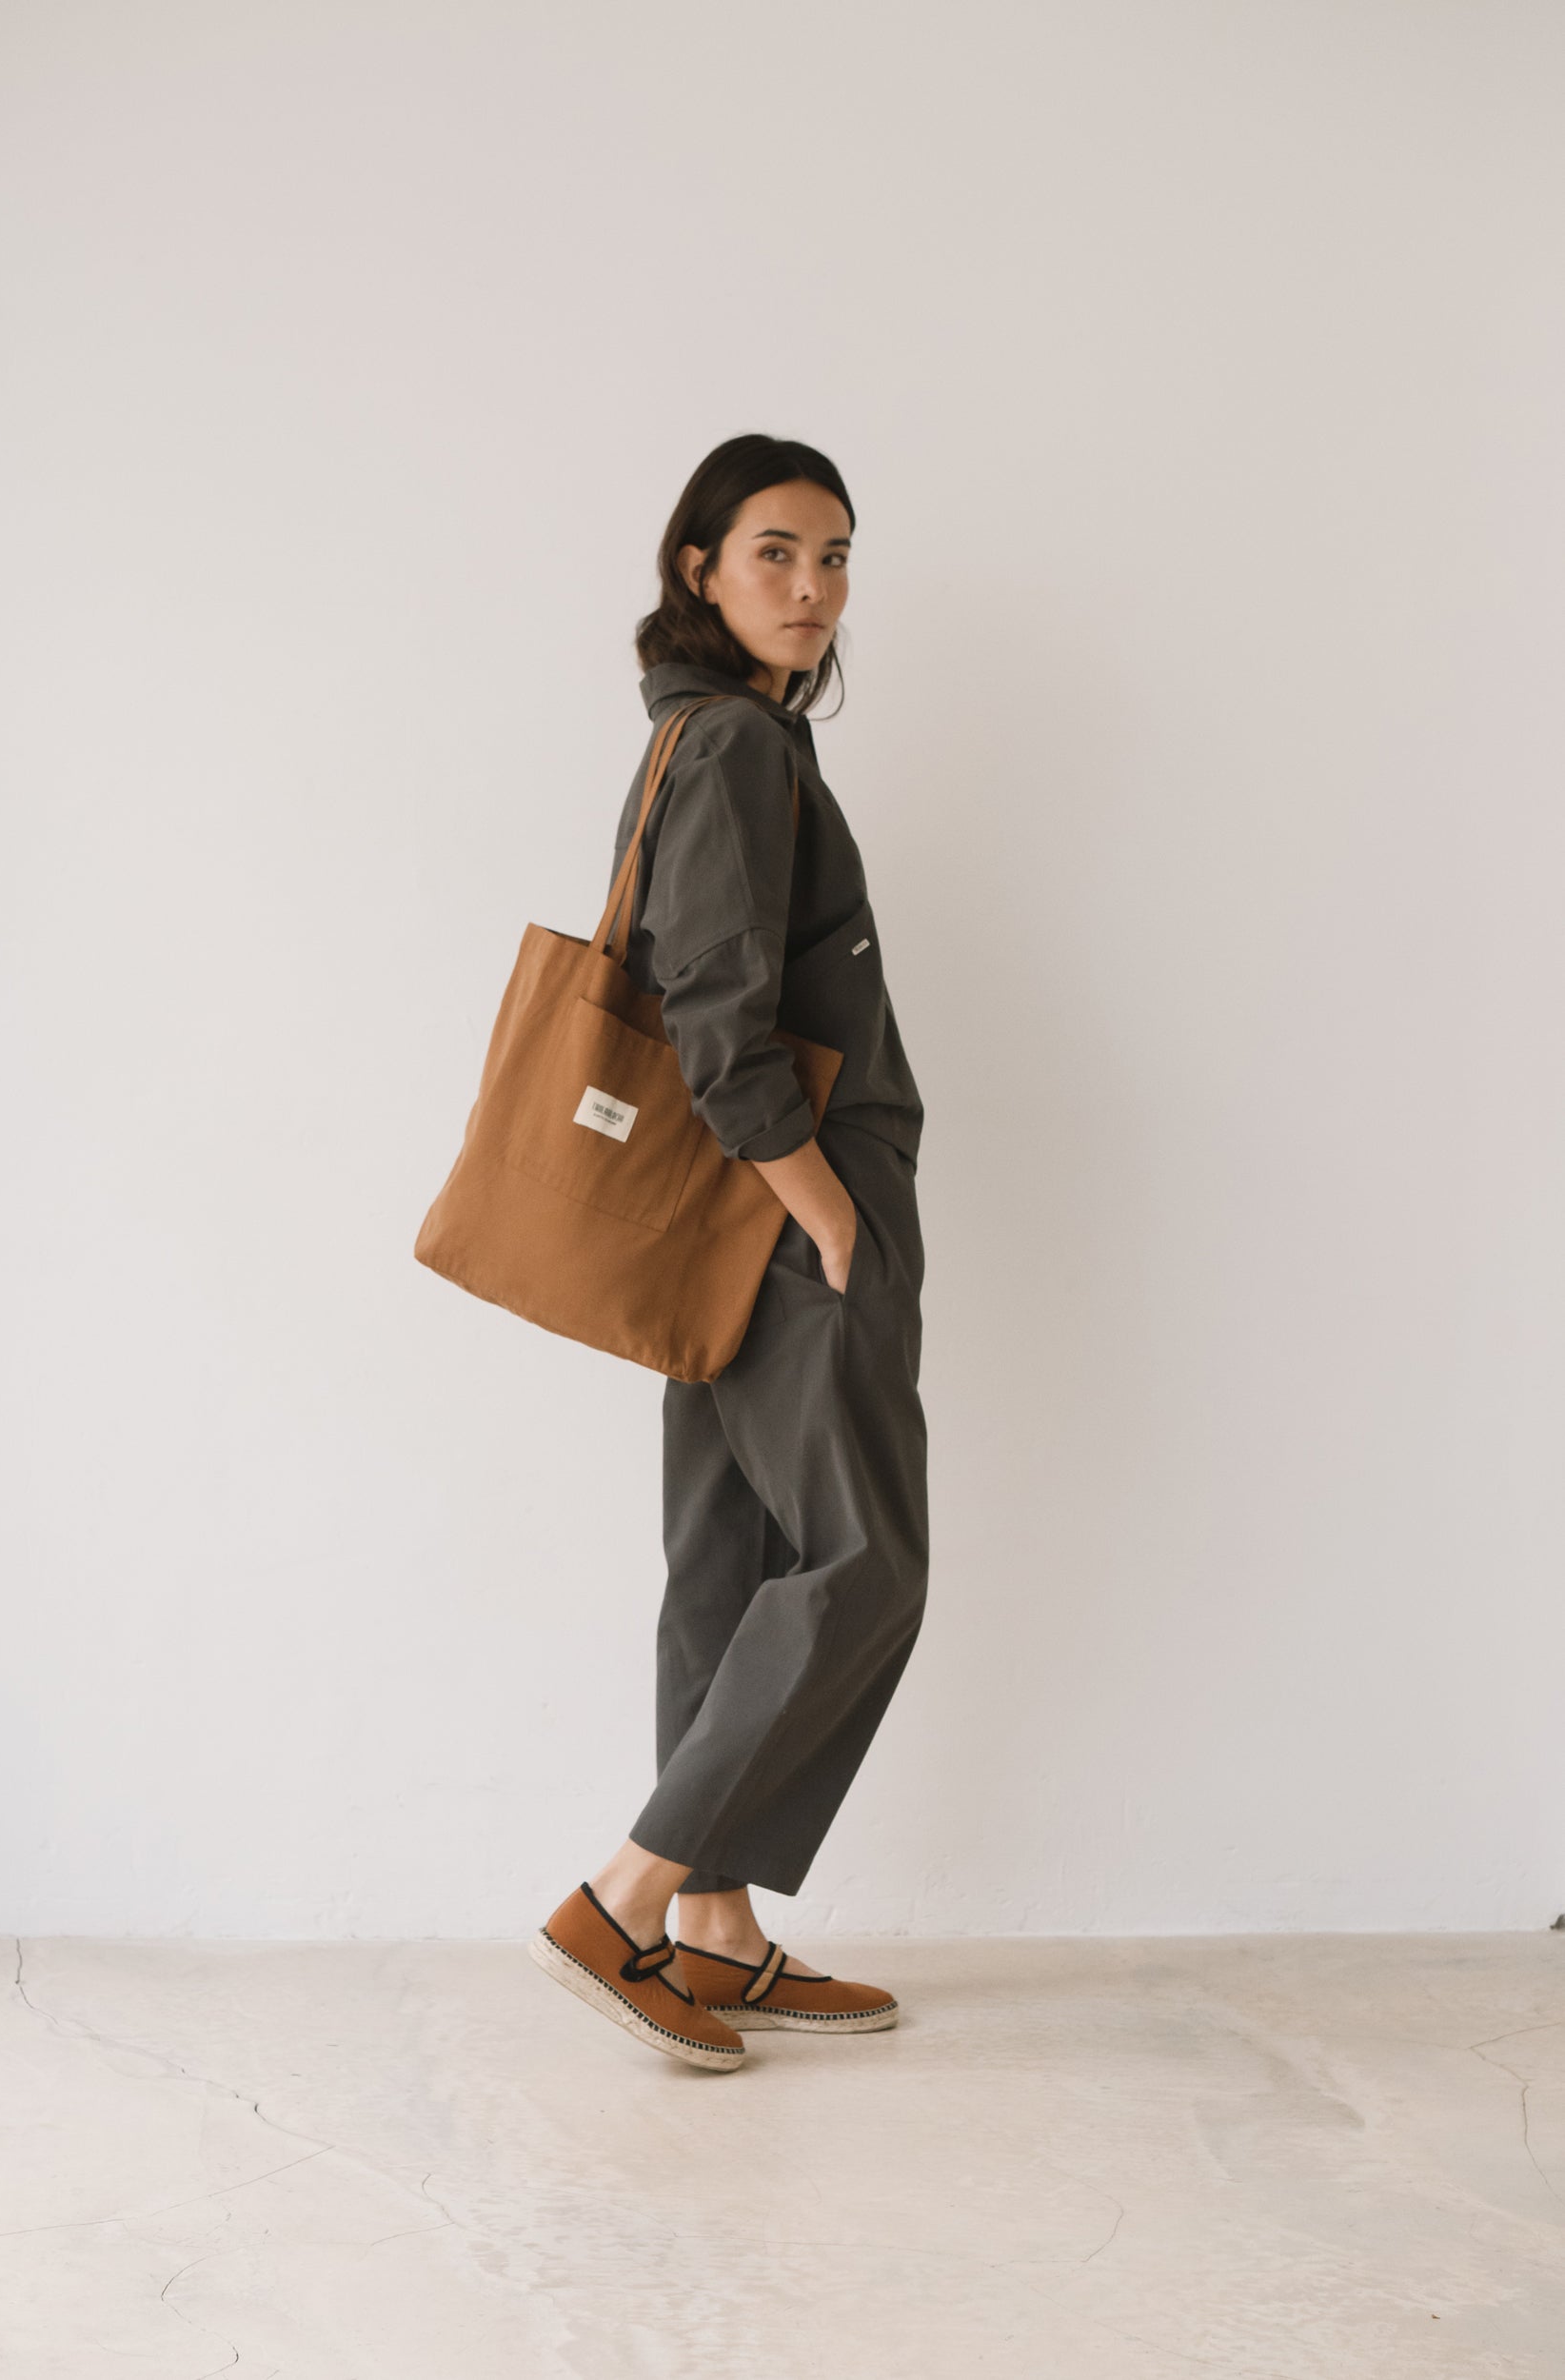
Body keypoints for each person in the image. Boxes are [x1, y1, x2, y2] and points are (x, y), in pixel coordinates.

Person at [527, 434, 929, 2071]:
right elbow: (713, 1004)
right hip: (785, 1203)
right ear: (697, 566)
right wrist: (826, 1208)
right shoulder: (741, 747)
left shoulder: (706, 737)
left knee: (735, 1557)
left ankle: (714, 1933)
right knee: (861, 1560)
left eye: (835, 557)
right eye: (776, 551)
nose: (813, 587)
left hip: (719, 1212)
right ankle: (621, 1902)